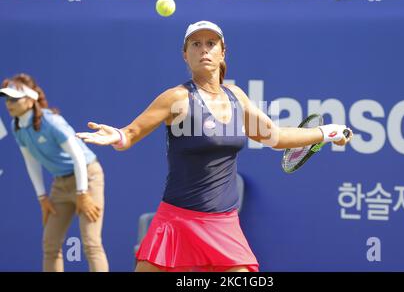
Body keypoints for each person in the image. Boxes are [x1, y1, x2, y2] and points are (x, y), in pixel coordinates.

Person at [76, 20, 353, 272]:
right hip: (177, 222)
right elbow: (130, 134)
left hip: (223, 224)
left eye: (211, 44)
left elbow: (277, 138)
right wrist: (117, 136)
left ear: (223, 52)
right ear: (185, 54)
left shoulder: (237, 98)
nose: (204, 50)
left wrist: (326, 132)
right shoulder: (176, 98)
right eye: (196, 44)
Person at [0, 74, 109, 272]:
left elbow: (77, 156)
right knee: (50, 245)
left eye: (14, 98)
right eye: (7, 99)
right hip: (60, 185)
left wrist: (82, 193)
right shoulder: (16, 126)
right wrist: (42, 198)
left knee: (91, 243)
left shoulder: (52, 122)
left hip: (88, 177)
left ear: (30, 99)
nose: (9, 104)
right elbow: (30, 161)